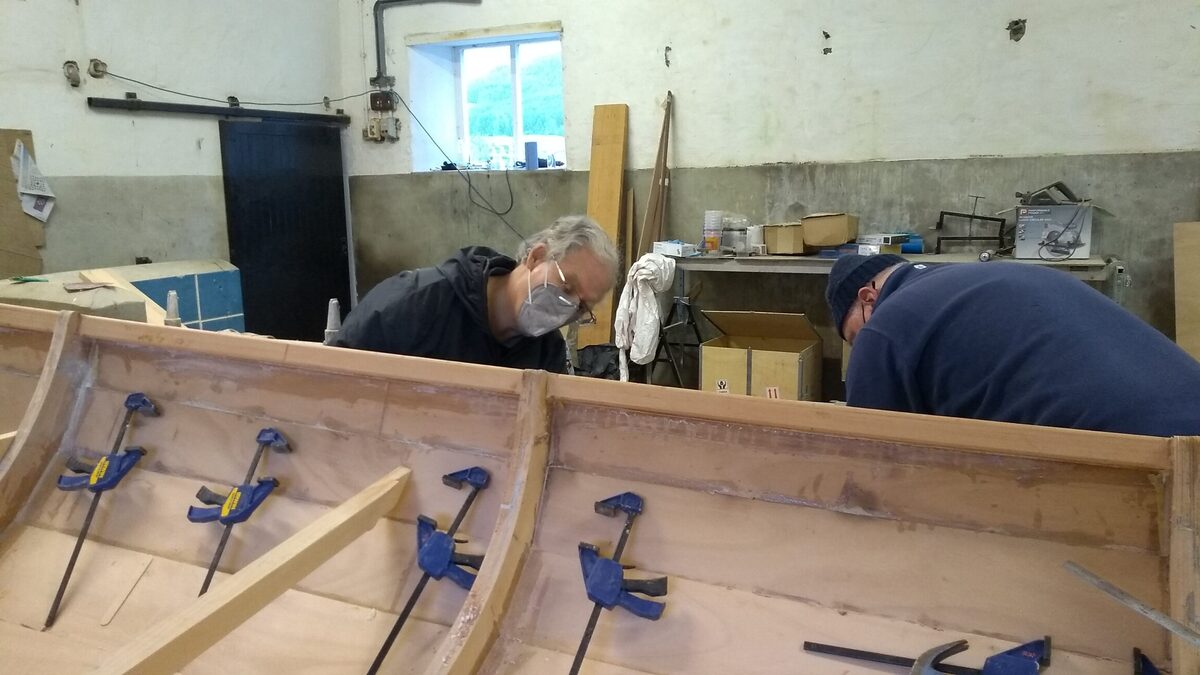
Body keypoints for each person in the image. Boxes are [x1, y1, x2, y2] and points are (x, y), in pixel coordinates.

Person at [825, 254, 1200, 437]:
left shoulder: (886, 326)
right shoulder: (994, 276)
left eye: (855, 337)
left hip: (1145, 455)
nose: (861, 350)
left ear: (868, 297)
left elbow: (869, 459)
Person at [335, 215, 619, 373]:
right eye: (566, 286)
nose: (567, 307)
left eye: (581, 307)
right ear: (537, 257)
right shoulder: (413, 305)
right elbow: (330, 380)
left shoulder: (546, 355)